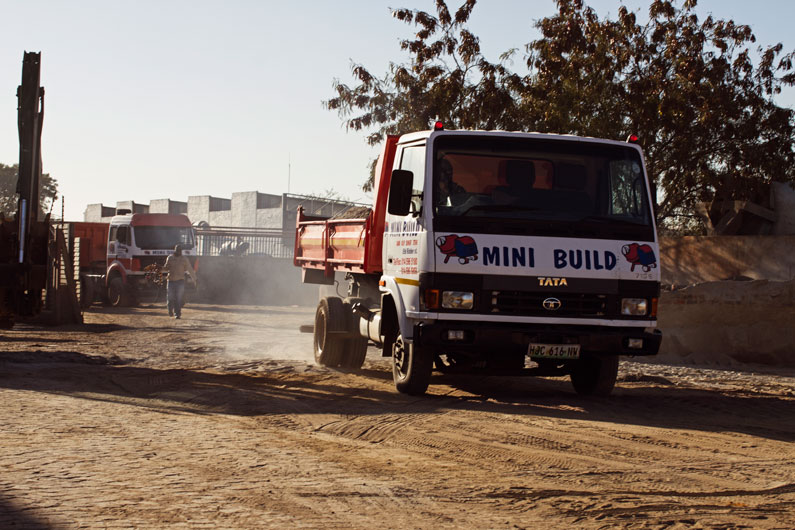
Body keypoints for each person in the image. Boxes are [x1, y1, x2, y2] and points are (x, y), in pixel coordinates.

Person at [162, 244, 196, 319]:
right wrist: (160, 269)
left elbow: (190, 269)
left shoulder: (184, 259)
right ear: (175, 250)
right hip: (171, 280)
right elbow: (166, 268)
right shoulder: (170, 258)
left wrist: (194, 279)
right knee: (170, 297)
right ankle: (170, 309)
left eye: (180, 250)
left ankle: (177, 313)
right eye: (177, 250)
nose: (179, 251)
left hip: (180, 281)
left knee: (178, 298)